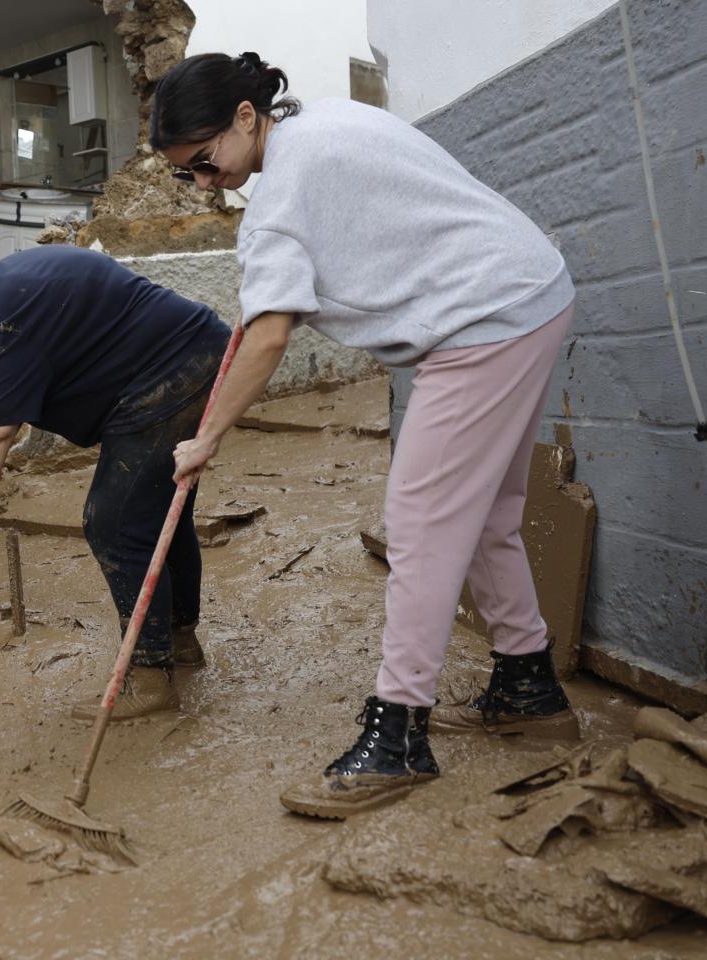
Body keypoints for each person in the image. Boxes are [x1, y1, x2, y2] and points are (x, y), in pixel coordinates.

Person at [149, 51, 580, 819]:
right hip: (528, 292)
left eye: (207, 163)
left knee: (417, 525)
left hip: (480, 323)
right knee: (484, 517)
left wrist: (206, 437)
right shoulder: (321, 122)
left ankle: (398, 738)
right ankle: (529, 687)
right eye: (190, 176)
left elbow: (270, 336)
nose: (208, 184)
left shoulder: (279, 195)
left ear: (247, 117)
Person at [0, 238, 230, 720]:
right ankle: (180, 643)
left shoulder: (5, 312)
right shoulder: (14, 288)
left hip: (174, 374)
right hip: (186, 360)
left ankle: (151, 678)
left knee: (113, 522)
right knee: (155, 518)